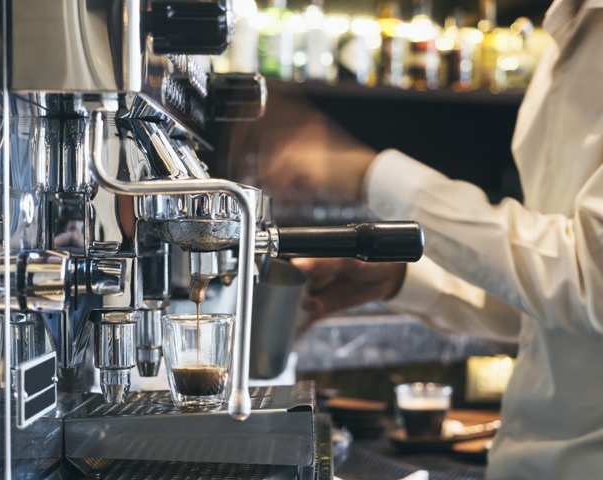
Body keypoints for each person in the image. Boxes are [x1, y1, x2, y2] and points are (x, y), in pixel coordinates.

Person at [258, 0, 603, 478]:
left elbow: (590, 280)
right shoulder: (573, 27)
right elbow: (554, 303)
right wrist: (400, 277)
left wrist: (367, 174)